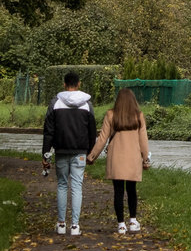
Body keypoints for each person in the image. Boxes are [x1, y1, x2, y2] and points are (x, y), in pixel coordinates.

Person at [88, 88, 151, 233]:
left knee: (118, 191)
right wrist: (146, 159)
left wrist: (91, 157)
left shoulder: (110, 115)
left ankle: (121, 224)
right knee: (131, 190)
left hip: (116, 159)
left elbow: (102, 139)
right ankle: (133, 221)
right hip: (133, 159)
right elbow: (143, 141)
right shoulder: (139, 116)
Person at [41, 72, 97, 235]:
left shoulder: (55, 103)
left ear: (64, 84)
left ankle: (60, 224)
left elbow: (48, 132)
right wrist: (91, 153)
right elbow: (92, 131)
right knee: (77, 186)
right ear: (79, 84)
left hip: (61, 151)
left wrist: (45, 154)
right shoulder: (87, 105)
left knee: (62, 185)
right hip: (80, 151)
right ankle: (75, 226)